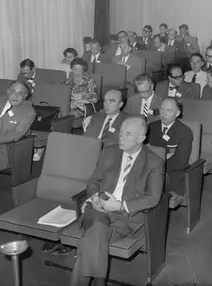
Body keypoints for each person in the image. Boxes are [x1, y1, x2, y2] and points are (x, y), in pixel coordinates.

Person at [69, 117, 164, 286]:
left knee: (94, 236)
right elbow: (93, 182)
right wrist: (94, 196)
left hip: (125, 216)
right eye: (121, 132)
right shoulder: (109, 152)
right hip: (98, 208)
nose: (121, 137)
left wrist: (119, 205)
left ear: (141, 138)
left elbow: (153, 198)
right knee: (96, 230)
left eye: (128, 134)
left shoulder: (154, 162)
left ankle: (99, 282)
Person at [147, 98, 193, 199]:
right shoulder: (151, 127)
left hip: (172, 173)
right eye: (162, 109)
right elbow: (144, 152)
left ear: (177, 113)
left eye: (169, 111)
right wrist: (165, 156)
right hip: (150, 170)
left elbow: (179, 162)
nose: (164, 114)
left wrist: (156, 162)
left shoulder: (185, 132)